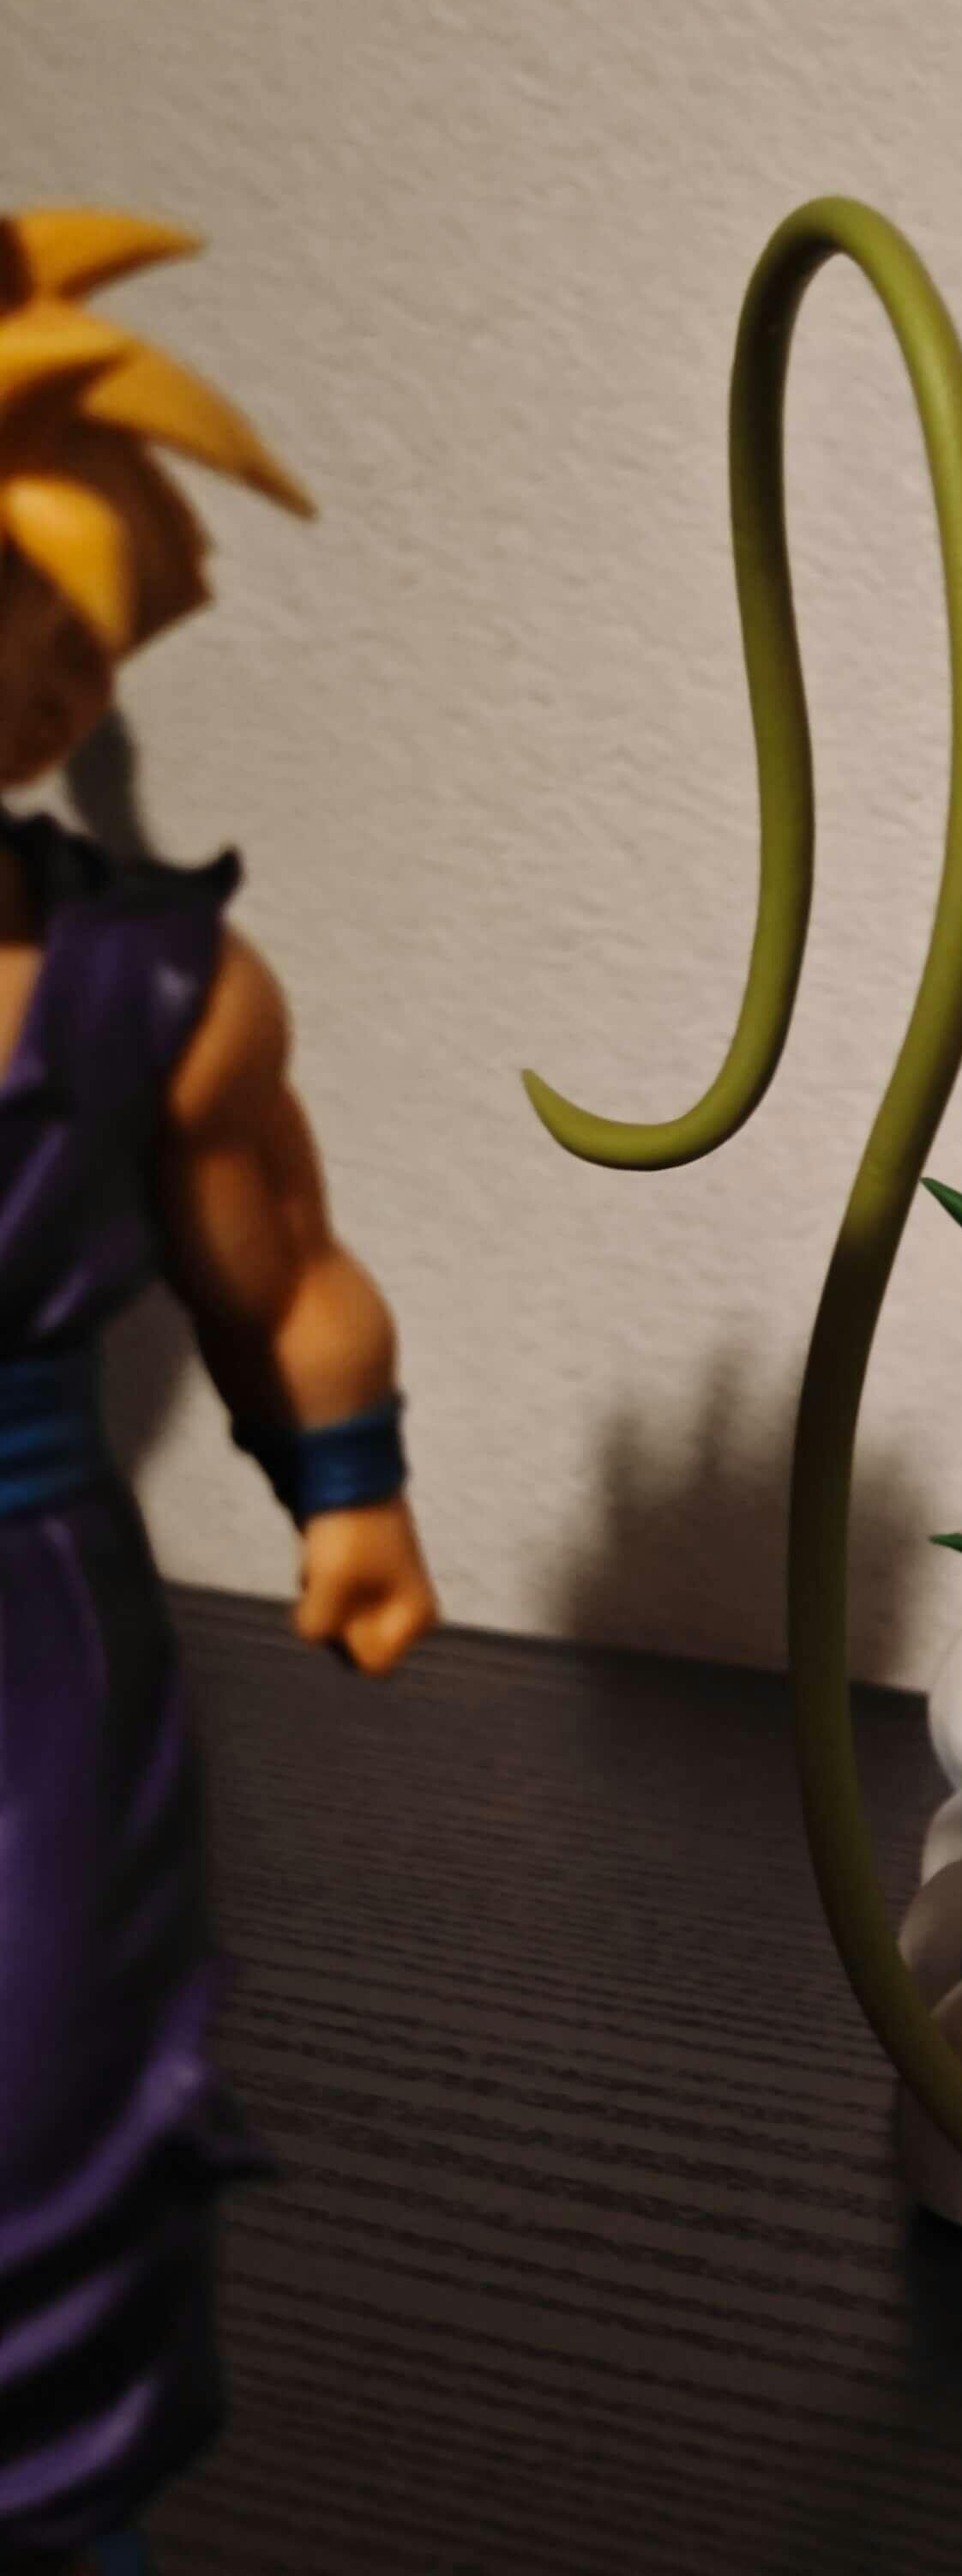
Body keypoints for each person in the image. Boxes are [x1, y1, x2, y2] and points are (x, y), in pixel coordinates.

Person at [0, 207, 436, 2576]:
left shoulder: (157, 986)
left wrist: (347, 1491)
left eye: (58, 626)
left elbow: (284, 1265)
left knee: (49, 2061)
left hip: (31, 1612)